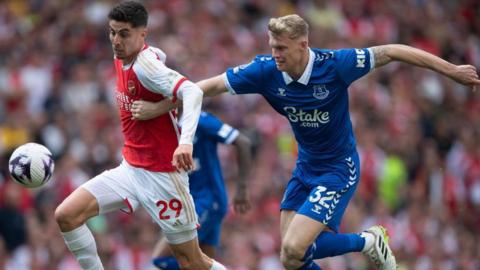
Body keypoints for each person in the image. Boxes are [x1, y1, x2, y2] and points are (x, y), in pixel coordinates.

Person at [191, 14, 480, 270]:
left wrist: (451, 70)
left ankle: (368, 241)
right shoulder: (266, 71)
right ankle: (367, 241)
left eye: (281, 48)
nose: (275, 54)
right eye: (272, 47)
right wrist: (171, 100)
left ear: (303, 45)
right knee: (291, 259)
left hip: (338, 169)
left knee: (294, 247)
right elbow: (210, 86)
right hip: (305, 167)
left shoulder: (335, 65)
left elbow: (392, 51)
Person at [54, 2, 227, 270]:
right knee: (67, 215)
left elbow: (192, 92)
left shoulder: (145, 66)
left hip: (163, 177)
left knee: (192, 262)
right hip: (131, 169)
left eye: (124, 34)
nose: (116, 40)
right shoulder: (126, 55)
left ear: (142, 34)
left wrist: (185, 144)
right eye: (112, 32)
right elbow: (158, 55)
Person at [130, 103, 252, 269]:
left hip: (209, 200)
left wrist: (242, 189)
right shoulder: (164, 128)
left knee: (162, 259)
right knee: (202, 263)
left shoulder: (200, 120)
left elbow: (242, 141)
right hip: (191, 203)